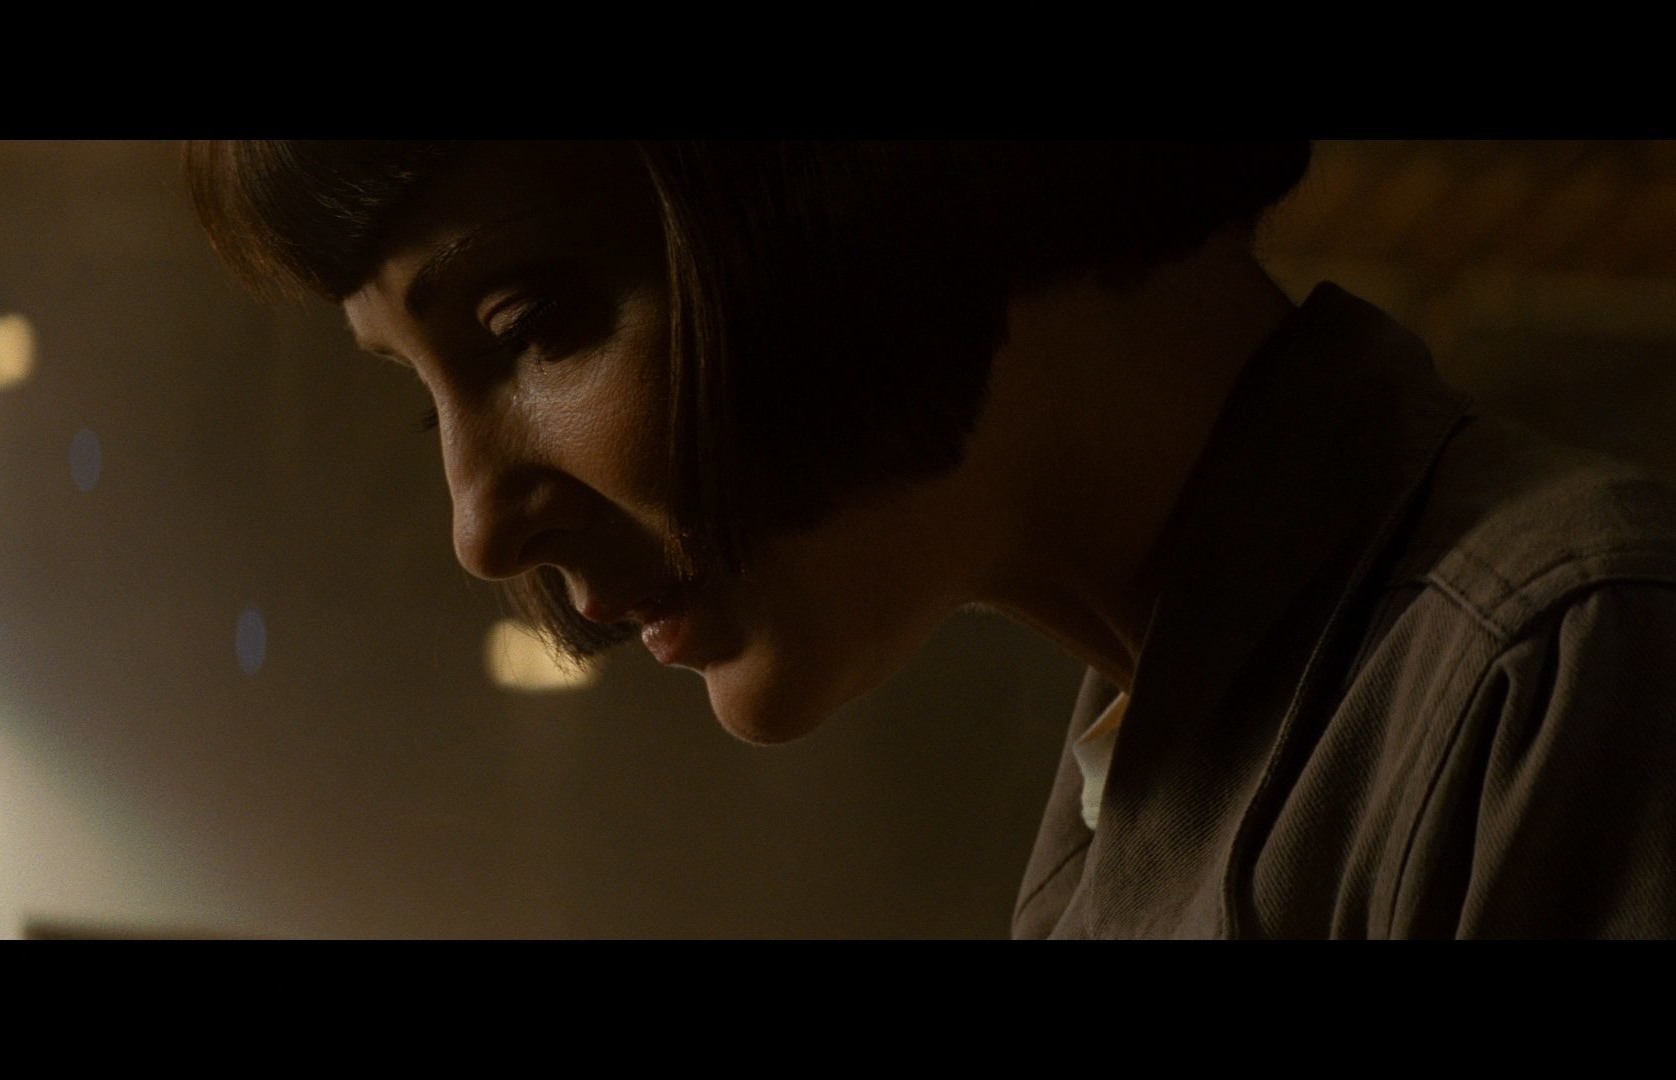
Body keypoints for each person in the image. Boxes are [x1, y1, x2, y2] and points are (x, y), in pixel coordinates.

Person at [185, 141, 1676, 938]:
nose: (476, 525)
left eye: (533, 324)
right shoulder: (1130, 813)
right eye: (422, 402)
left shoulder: (1558, 683)